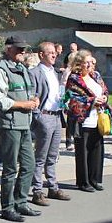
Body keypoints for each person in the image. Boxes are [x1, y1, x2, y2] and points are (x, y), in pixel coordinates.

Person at [0, 35, 41, 222]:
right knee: (10, 168)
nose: (23, 52)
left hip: (24, 123)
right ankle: (7, 207)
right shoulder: (1, 69)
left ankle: (21, 202)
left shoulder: (23, 69)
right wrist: (24, 104)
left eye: (24, 49)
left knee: (29, 165)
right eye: (19, 49)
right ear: (8, 49)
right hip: (10, 124)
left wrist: (34, 100)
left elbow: (30, 92)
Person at [65, 50, 112, 193]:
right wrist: (92, 101)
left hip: (98, 117)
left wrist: (105, 98)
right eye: (86, 62)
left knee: (97, 149)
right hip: (83, 119)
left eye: (91, 62)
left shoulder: (96, 75)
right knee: (83, 151)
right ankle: (84, 182)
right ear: (79, 63)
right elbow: (72, 98)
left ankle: (95, 179)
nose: (90, 65)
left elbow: (104, 90)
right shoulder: (74, 78)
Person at [28, 42, 71, 207]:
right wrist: (37, 116)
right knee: (41, 157)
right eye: (50, 53)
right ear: (41, 54)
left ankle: (53, 187)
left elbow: (58, 94)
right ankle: (37, 191)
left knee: (53, 156)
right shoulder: (35, 73)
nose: (54, 55)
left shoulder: (55, 72)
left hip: (56, 116)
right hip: (44, 116)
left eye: (55, 53)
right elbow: (33, 95)